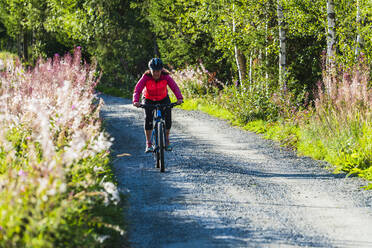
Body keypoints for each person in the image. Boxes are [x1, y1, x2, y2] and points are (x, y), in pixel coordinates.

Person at [133, 58, 183, 153]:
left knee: (168, 118)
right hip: (148, 99)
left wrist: (179, 98)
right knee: (148, 119)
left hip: (163, 98)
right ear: (150, 70)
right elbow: (137, 89)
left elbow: (174, 87)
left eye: (158, 71)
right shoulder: (146, 77)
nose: (156, 73)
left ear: (161, 69)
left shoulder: (166, 76)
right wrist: (136, 100)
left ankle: (167, 141)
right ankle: (148, 143)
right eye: (154, 71)